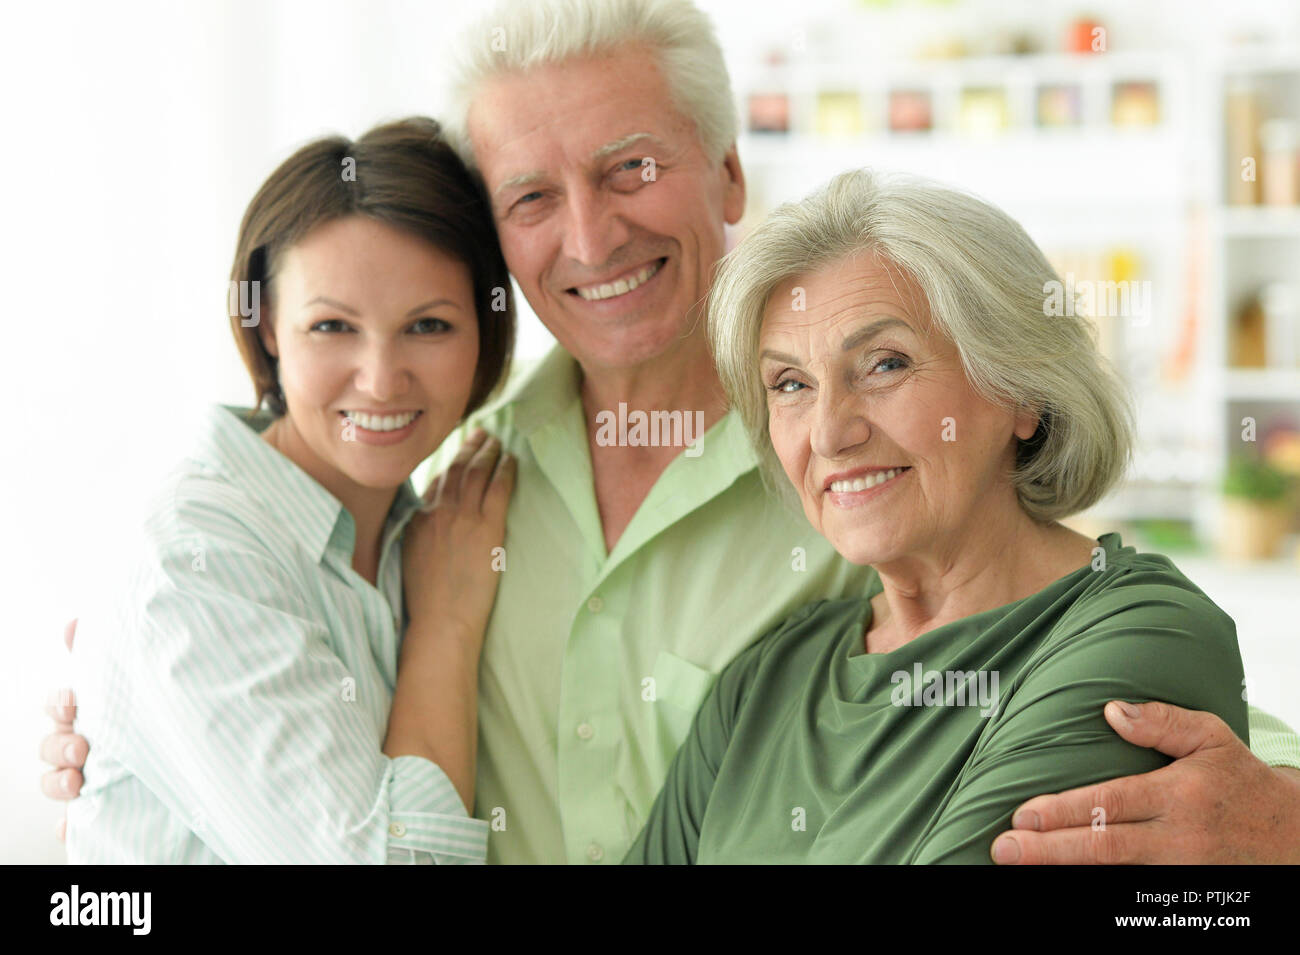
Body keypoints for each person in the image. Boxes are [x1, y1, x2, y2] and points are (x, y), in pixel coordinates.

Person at [44, 0, 1300, 864]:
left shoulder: (866, 476)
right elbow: (289, 729)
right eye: (533, 196)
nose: (589, 239)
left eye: (632, 167)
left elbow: (1153, 718)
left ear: (728, 177)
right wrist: (135, 733)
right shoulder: (445, 490)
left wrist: (1286, 819)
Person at [625, 168, 1249, 862]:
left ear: (1020, 390)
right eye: (791, 384)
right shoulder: (767, 678)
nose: (829, 432)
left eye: (885, 364)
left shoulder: (1142, 633)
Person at [62, 117, 516, 863]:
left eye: (429, 325)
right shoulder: (192, 557)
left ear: (485, 334)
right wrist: (446, 628)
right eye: (333, 325)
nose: (380, 378)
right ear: (267, 324)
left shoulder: (435, 529)